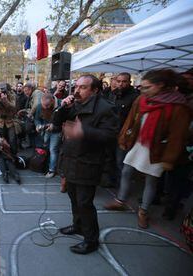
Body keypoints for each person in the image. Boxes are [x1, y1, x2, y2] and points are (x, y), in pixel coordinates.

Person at [104, 69, 191, 228]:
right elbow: (131, 120)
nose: (143, 90)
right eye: (142, 87)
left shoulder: (177, 106)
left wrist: (169, 158)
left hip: (158, 149)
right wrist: (124, 137)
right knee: (126, 171)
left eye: (147, 87)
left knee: (151, 181)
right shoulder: (142, 99)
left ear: (160, 85)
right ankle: (121, 201)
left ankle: (143, 211)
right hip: (138, 143)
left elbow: (177, 136)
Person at [55, 74, 119, 254]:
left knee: (84, 202)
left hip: (88, 162)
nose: (77, 90)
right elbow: (55, 123)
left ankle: (91, 240)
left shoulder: (106, 108)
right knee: (73, 196)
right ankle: (78, 225)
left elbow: (110, 136)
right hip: (70, 158)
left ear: (95, 90)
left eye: (83, 87)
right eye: (76, 87)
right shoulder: (74, 103)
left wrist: (84, 131)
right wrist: (62, 108)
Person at [101, 72, 140, 187]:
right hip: (109, 132)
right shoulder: (111, 94)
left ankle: (121, 186)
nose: (121, 84)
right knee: (109, 158)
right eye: (118, 81)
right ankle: (109, 181)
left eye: (124, 81)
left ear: (129, 82)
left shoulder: (135, 97)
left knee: (120, 161)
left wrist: (129, 132)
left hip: (124, 134)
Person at [34, 93, 61, 178]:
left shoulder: (60, 106)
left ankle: (51, 170)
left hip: (56, 131)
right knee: (45, 148)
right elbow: (37, 118)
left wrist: (54, 126)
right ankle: (45, 166)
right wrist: (38, 125)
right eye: (43, 105)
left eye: (47, 105)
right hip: (45, 130)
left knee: (53, 149)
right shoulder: (40, 106)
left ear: (52, 101)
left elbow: (64, 121)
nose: (45, 107)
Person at [0, 82, 18, 155]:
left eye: (4, 89)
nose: (2, 91)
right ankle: (4, 154)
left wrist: (5, 100)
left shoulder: (12, 95)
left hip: (9, 121)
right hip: (0, 121)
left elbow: (13, 108)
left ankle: (14, 155)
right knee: (2, 139)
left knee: (12, 139)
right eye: (1, 89)